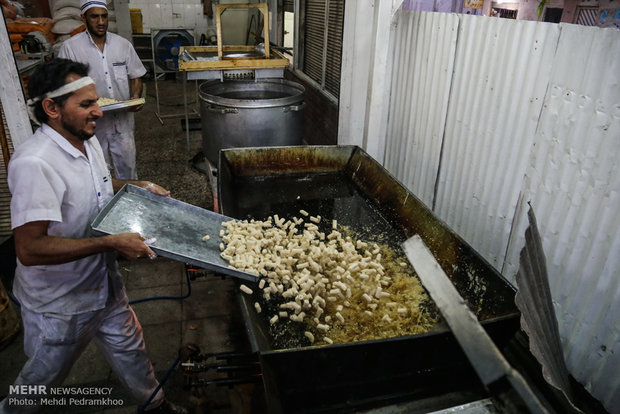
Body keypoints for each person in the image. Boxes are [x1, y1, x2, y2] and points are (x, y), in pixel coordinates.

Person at [0, 59, 185, 414]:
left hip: (104, 285)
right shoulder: (34, 164)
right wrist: (110, 243)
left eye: (96, 101)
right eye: (86, 104)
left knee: (131, 350)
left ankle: (155, 406)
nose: (98, 112)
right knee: (41, 381)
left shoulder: (85, 139)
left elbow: (98, 185)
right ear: (51, 108)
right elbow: (29, 248)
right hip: (61, 303)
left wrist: (135, 185)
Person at [58, 0, 146, 180]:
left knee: (128, 168)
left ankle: (128, 204)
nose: (100, 22)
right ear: (83, 18)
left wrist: (135, 96)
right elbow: (64, 88)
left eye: (104, 16)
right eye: (94, 16)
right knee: (99, 172)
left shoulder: (122, 45)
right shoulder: (71, 48)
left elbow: (136, 75)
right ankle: (105, 206)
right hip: (91, 123)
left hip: (122, 121)